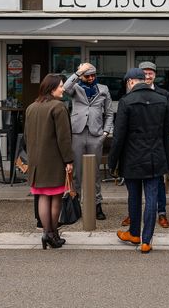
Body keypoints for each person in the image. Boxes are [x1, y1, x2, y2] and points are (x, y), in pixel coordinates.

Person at [110, 68, 169, 254]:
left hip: (132, 158)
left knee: (134, 196)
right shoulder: (162, 100)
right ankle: (146, 240)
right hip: (155, 156)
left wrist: (112, 162)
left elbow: (119, 136)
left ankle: (134, 233)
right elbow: (166, 132)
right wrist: (166, 158)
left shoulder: (126, 102)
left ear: (130, 82)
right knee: (152, 197)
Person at [120, 61, 169, 228]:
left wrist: (158, 136)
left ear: (155, 75)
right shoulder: (129, 97)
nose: (148, 75)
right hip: (136, 151)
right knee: (135, 189)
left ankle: (162, 213)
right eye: (145, 72)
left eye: (151, 72)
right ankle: (134, 215)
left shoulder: (163, 94)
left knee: (158, 184)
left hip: (156, 148)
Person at [23, 74, 74, 249]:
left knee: (43, 196)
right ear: (52, 88)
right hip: (55, 159)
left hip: (36, 161)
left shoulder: (31, 107)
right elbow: (64, 138)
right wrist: (68, 160)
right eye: (61, 86)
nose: (63, 88)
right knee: (56, 197)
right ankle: (53, 234)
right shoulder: (58, 107)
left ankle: (46, 233)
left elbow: (26, 136)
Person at [64, 62, 114, 221]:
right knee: (76, 171)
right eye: (88, 75)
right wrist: (79, 72)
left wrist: (105, 132)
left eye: (93, 75)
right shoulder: (76, 88)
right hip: (77, 133)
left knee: (95, 173)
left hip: (96, 135)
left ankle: (97, 205)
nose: (91, 78)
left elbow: (110, 113)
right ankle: (76, 204)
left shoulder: (103, 89)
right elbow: (65, 87)